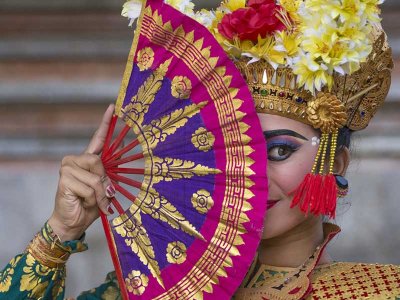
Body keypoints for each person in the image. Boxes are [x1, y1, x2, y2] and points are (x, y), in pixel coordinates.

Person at [1, 0, 399, 299]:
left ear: (336, 161)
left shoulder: (379, 291)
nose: (250, 174)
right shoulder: (160, 287)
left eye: (278, 151)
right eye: (234, 149)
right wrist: (59, 233)